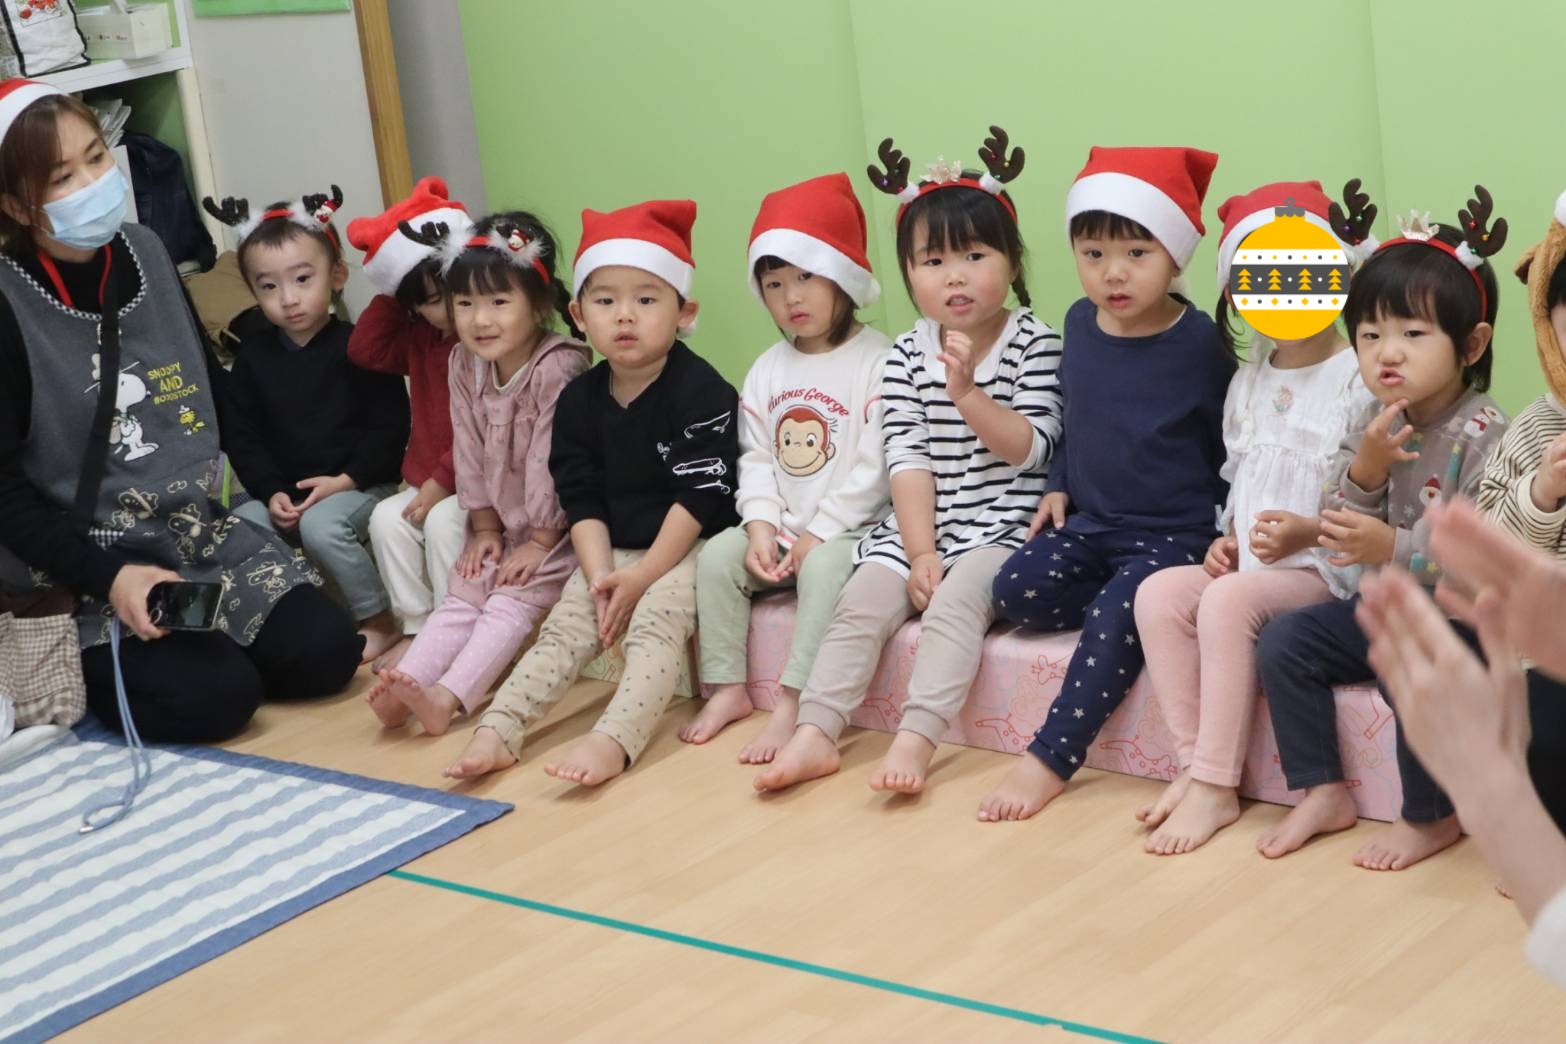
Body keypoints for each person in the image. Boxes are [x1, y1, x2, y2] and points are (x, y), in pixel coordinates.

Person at [0, 79, 358, 742]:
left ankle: (212, 640)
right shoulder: (7, 301)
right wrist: (110, 577)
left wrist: (268, 488)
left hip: (198, 535)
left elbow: (210, 387)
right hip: (92, 564)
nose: (91, 183)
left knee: (325, 652)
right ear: (17, 204)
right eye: (62, 176)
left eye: (96, 157)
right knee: (218, 696)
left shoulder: (146, 249)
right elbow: (5, 494)